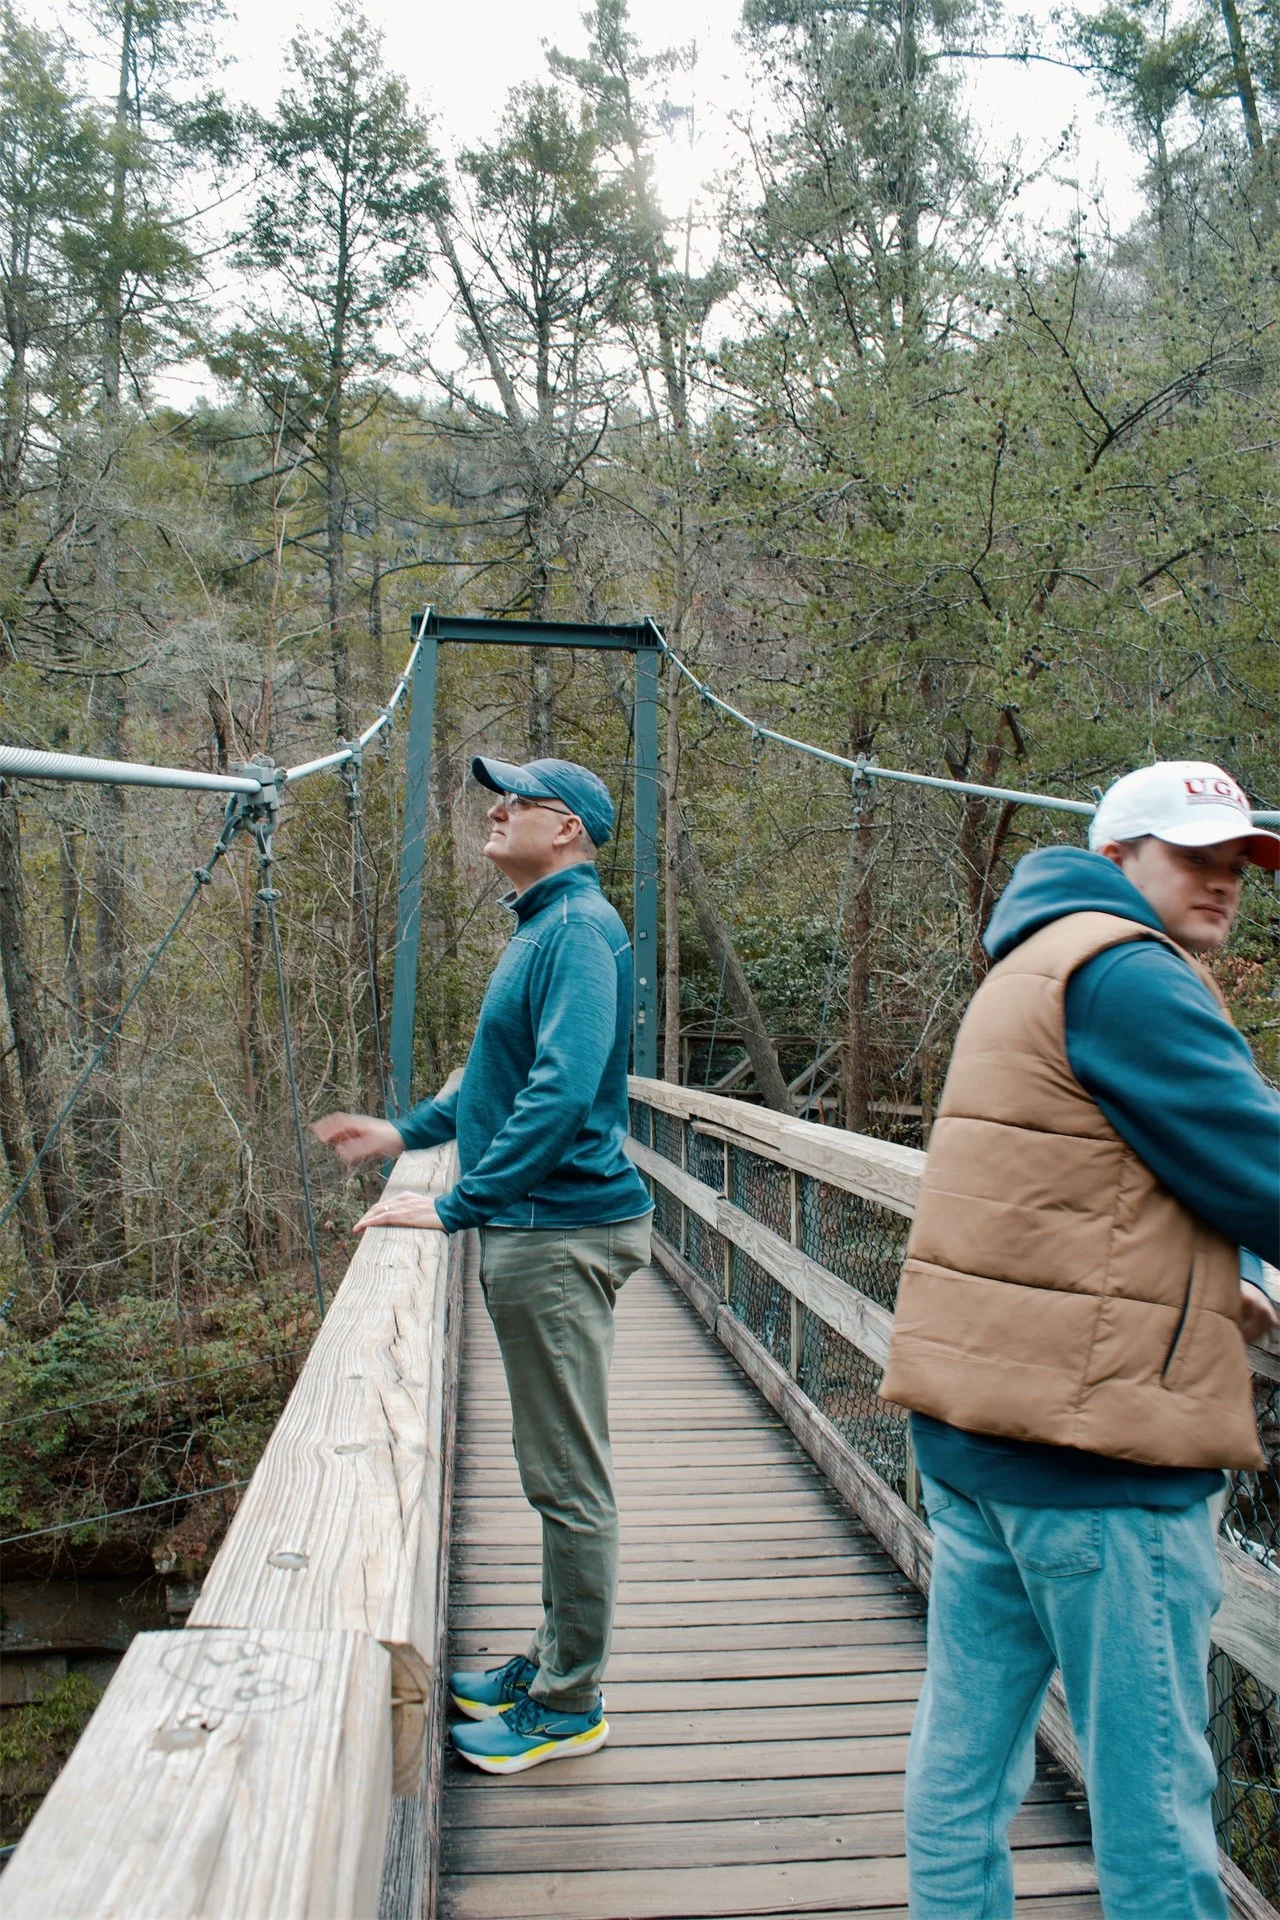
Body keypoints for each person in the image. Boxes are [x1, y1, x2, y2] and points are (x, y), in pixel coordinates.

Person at [880, 759, 1280, 1920]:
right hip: (1097, 1458)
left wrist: (1230, 1272)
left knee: (962, 1770)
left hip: (977, 1434)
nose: (1221, 880)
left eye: (1236, 862)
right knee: (1153, 1803)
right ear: (1115, 859)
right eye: (1190, 856)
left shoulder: (1030, 961)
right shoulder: (1129, 974)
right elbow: (1256, 1166)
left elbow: (1089, 1181)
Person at [313, 755, 653, 1776]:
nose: (495, 809)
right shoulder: (544, 929)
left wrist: (457, 1204)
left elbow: (559, 1092)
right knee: (553, 1467)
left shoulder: (576, 931)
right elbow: (496, 1079)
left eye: (517, 799)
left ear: (568, 829)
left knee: (566, 1475)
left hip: (559, 1230)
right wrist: (403, 1132)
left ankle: (569, 1702)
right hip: (543, 1227)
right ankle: (549, 1659)